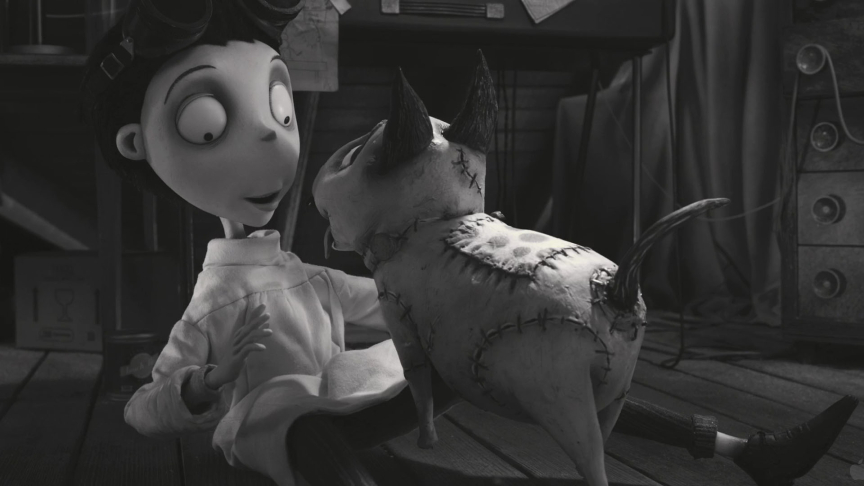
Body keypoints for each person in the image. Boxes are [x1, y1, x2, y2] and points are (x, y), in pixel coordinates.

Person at [80, 1, 857, 485]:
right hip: (278, 433)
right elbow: (147, 408)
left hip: (355, 399)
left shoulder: (308, 278)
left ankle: (740, 448)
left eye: (280, 110)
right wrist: (198, 388)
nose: (269, 137)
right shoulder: (212, 304)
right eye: (207, 123)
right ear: (137, 146)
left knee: (530, 357)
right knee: (294, 419)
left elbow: (397, 302)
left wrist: (480, 288)